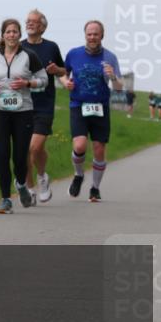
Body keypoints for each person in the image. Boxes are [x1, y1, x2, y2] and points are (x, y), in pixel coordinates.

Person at [0, 19, 48, 213]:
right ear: (3, 35)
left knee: (20, 157)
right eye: (8, 32)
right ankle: (5, 199)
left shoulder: (30, 56)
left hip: (23, 112)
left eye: (15, 32)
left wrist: (28, 84)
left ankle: (20, 184)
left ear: (20, 35)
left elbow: (43, 79)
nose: (11, 35)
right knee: (2, 154)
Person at [59, 20, 122, 203]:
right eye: (89, 34)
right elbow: (63, 73)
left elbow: (118, 87)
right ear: (85, 35)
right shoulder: (74, 54)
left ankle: (95, 189)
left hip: (100, 107)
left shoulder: (110, 57)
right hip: (78, 105)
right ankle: (78, 175)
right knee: (79, 146)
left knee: (99, 149)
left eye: (96, 34)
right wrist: (65, 82)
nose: (92, 37)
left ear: (102, 35)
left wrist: (112, 77)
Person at [20, 9, 66, 203]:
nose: (30, 24)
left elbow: (63, 70)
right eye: (28, 21)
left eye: (35, 22)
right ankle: (30, 189)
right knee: (24, 151)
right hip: (21, 105)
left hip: (44, 105)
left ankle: (42, 177)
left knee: (35, 148)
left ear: (43, 27)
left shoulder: (51, 47)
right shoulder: (18, 46)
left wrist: (57, 71)